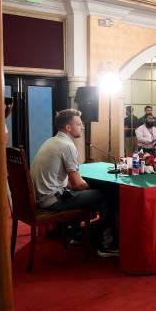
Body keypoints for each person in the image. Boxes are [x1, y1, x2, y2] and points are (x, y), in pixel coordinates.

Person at [31, 109, 117, 255]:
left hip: (43, 197)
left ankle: (78, 235)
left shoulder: (51, 141)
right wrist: (97, 187)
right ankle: (105, 244)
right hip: (52, 200)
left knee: (82, 193)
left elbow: (70, 183)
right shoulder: (67, 146)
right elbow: (77, 184)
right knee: (104, 195)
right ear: (68, 128)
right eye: (78, 124)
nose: (82, 127)